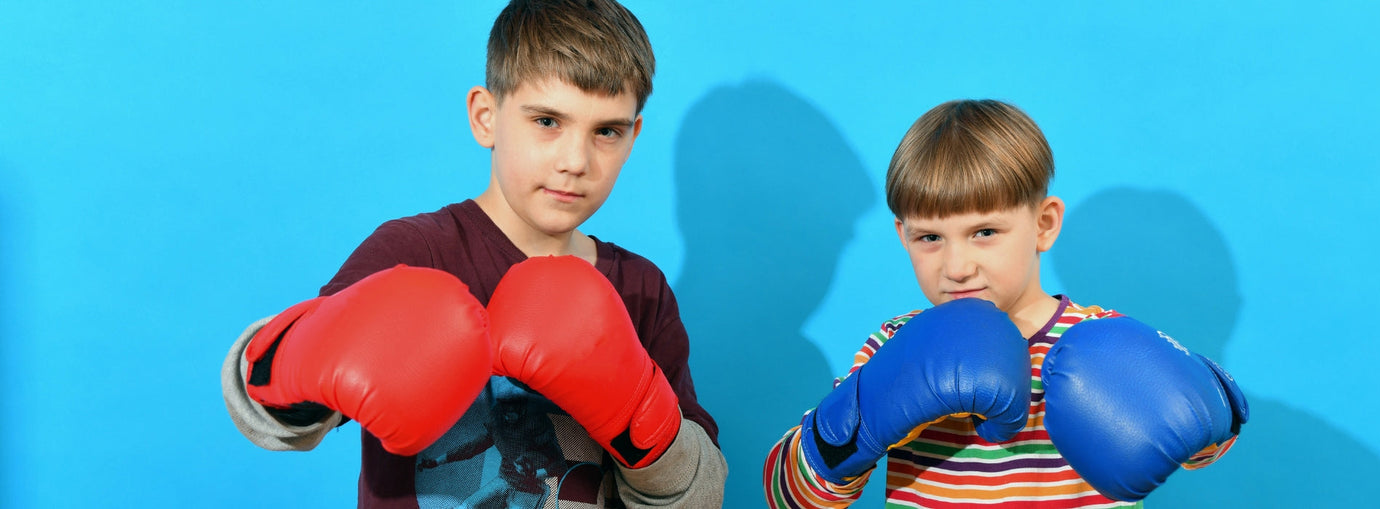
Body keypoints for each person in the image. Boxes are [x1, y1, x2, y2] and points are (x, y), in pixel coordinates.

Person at [218, 1, 727, 507]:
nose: (576, 161)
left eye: (606, 131)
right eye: (547, 121)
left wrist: (643, 424)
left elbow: (699, 497)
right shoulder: (414, 252)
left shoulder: (640, 289)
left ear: (634, 137)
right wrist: (299, 362)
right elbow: (264, 410)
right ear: (486, 117)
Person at [761, 99, 1248, 508]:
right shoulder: (895, 344)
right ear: (902, 237)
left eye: (984, 232)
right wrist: (858, 426)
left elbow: (1199, 440)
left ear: (1044, 224)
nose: (956, 265)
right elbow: (791, 498)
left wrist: (1201, 409)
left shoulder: (1101, 334)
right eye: (930, 237)